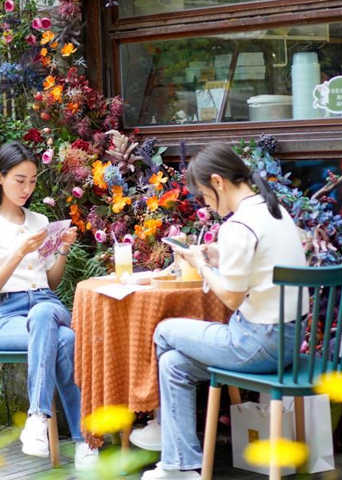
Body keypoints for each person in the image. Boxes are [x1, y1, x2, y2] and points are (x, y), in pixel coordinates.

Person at [137, 143, 309, 480]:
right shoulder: (273, 210)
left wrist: (201, 265)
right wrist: (216, 255)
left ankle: (163, 435)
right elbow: (258, 265)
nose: (206, 205)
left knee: (163, 330)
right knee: (173, 364)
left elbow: (231, 297)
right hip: (289, 340)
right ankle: (180, 465)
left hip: (258, 342)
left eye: (203, 196)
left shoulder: (240, 224)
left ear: (218, 182)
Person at [0, 141, 99, 471]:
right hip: (5, 316)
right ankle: (85, 442)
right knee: (65, 340)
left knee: (42, 311)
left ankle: (37, 418)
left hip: (46, 304)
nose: (27, 188)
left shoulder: (40, 221)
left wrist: (63, 250)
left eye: (33, 181)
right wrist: (19, 252)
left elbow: (51, 282)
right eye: (19, 180)